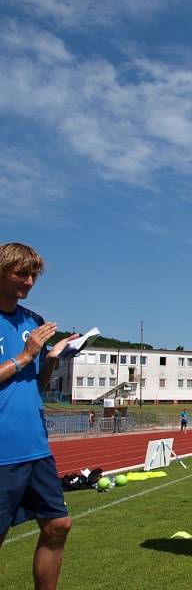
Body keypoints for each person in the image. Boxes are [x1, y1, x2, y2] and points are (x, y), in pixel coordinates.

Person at [0, 242, 79, 590]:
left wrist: (49, 361)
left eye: (34, 275)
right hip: (3, 450)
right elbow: (21, 362)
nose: (29, 281)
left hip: (36, 445)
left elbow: (38, 385)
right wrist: (27, 354)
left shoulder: (34, 321)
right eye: (21, 273)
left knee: (58, 525)